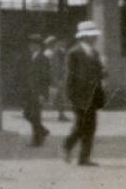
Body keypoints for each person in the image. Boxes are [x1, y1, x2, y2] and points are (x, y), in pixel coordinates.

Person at [63, 21, 106, 167]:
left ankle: (84, 158)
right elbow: (70, 75)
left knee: (91, 126)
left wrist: (104, 69)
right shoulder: (73, 53)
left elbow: (100, 73)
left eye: (95, 35)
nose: (95, 38)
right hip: (79, 95)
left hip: (93, 95)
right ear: (84, 37)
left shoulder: (95, 53)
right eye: (92, 36)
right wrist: (70, 95)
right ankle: (67, 145)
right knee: (80, 126)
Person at [22, 34, 52, 147]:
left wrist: (43, 94)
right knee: (27, 114)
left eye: (32, 44)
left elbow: (45, 78)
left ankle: (36, 140)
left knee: (35, 115)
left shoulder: (43, 58)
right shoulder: (31, 57)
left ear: (38, 45)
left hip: (38, 92)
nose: (30, 46)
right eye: (30, 44)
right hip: (29, 91)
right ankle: (43, 131)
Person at [44, 36, 69, 122]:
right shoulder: (49, 53)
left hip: (55, 78)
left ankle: (61, 114)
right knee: (52, 97)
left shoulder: (54, 53)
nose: (56, 45)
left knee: (59, 96)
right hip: (52, 78)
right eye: (54, 43)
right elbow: (52, 67)